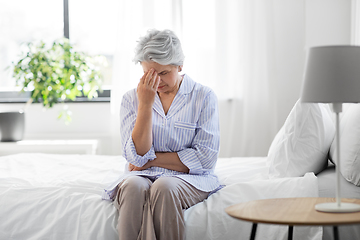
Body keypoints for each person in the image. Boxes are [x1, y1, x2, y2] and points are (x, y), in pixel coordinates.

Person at [104, 29, 221, 240]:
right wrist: (146, 106)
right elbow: (135, 157)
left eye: (163, 73)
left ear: (180, 66)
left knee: (165, 187)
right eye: (149, 73)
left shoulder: (204, 96)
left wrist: (150, 161)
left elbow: (205, 159)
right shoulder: (132, 99)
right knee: (132, 186)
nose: (156, 81)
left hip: (190, 180)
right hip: (140, 176)